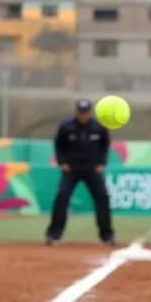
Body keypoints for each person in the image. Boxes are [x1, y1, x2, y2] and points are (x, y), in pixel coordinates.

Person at [46, 99, 114, 246]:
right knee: (62, 197)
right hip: (71, 169)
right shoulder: (66, 126)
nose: (83, 115)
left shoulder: (99, 127)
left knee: (102, 198)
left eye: (86, 112)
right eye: (81, 112)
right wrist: (62, 161)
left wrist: (102, 163)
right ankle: (53, 234)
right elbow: (59, 144)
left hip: (92, 169)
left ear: (90, 112)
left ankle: (107, 235)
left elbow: (105, 145)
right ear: (77, 112)